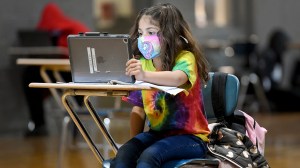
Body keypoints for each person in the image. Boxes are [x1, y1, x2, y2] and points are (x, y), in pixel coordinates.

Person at [111, 3, 210, 167]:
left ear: (170, 34)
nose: (144, 39)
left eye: (151, 32)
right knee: (124, 154)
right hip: (156, 135)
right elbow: (138, 108)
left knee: (149, 157)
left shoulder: (185, 58)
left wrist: (144, 75)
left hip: (191, 138)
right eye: (141, 33)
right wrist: (134, 144)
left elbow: (178, 78)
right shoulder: (143, 64)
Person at [23, 2, 90, 136]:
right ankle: (38, 123)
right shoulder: (44, 34)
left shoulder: (74, 28)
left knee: (77, 82)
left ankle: (77, 120)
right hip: (53, 70)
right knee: (29, 75)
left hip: (72, 72)